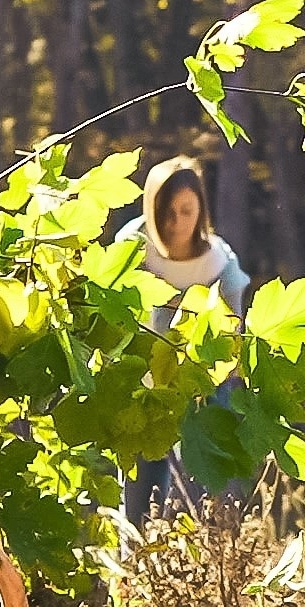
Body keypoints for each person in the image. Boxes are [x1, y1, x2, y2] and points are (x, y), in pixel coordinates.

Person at [117, 154, 257, 522]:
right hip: (142, 389)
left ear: (200, 211)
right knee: (138, 495)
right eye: (167, 212)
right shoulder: (130, 250)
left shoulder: (220, 268)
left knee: (195, 495)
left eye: (186, 211)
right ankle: (135, 573)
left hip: (201, 392)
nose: (176, 222)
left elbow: (231, 337)